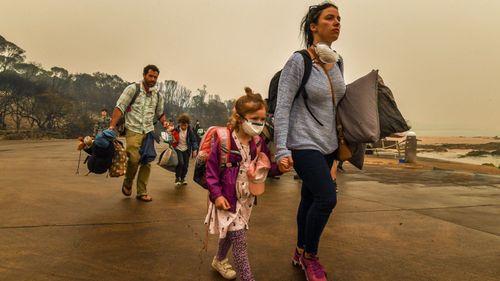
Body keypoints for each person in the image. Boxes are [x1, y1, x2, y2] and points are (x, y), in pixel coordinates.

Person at [273, 2, 345, 280]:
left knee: (310, 198)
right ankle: (310, 257)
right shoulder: (298, 62)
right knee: (327, 198)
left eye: (339, 18)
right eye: (330, 18)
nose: (337, 22)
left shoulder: (338, 61)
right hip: (302, 143)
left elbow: (338, 108)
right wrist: (281, 150)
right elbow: (282, 106)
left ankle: (299, 249)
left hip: (328, 144)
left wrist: (338, 154)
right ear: (313, 26)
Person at [204, 87, 288, 281]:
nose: (259, 123)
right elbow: (212, 171)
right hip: (226, 198)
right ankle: (247, 278)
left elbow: (266, 166)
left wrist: (280, 169)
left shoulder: (258, 142)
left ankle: (219, 259)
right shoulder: (224, 141)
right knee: (239, 240)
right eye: (255, 118)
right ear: (240, 118)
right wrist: (217, 195)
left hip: (246, 198)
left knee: (231, 232)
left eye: (262, 119)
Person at [108, 64, 169, 202]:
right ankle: (128, 182)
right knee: (134, 159)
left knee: (147, 162)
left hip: (148, 131)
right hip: (133, 130)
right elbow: (120, 107)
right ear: (144, 75)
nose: (153, 79)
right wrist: (112, 126)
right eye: (150, 76)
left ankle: (142, 192)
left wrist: (165, 123)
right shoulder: (132, 89)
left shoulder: (158, 96)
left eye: (155, 77)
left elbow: (160, 113)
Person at [171, 113, 198, 186]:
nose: (183, 127)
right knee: (180, 163)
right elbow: (170, 139)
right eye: (182, 125)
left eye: (185, 125)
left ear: (188, 124)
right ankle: (177, 178)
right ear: (179, 123)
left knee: (185, 166)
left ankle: (183, 178)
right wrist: (171, 141)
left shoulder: (190, 131)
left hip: (186, 150)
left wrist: (195, 150)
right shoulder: (175, 130)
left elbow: (194, 140)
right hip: (178, 149)